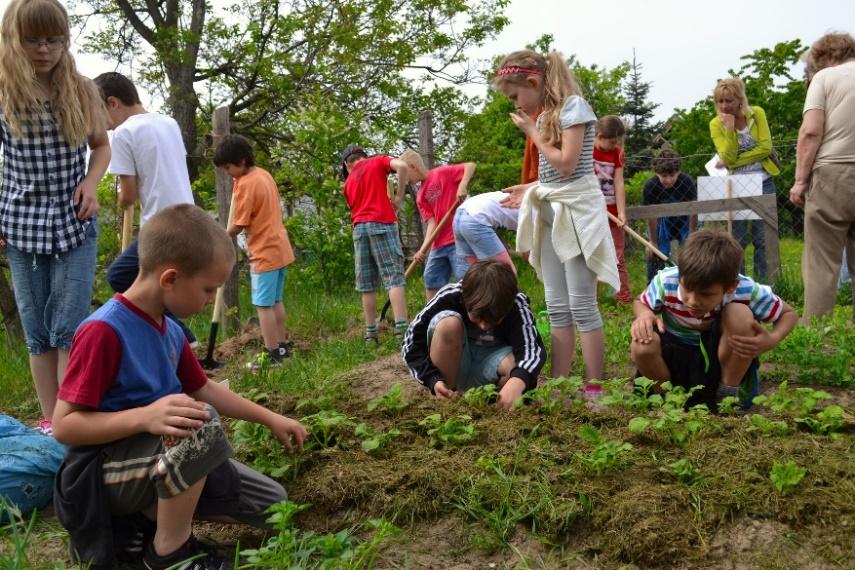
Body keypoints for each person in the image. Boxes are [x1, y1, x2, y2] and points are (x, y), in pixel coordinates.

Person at [52, 204, 308, 569]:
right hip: (99, 474)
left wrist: (270, 419)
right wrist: (144, 417)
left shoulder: (169, 330)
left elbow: (204, 388)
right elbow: (64, 426)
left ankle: (142, 525)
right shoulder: (103, 331)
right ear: (170, 278)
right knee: (199, 424)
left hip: (155, 462)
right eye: (208, 289)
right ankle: (170, 552)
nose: (209, 300)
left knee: (274, 506)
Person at [0, 0, 110, 435]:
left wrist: (92, 183)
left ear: (65, 40)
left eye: (53, 39)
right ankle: (52, 422)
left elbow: (101, 146)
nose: (44, 49)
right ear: (13, 38)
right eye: (32, 40)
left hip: (74, 219)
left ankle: (73, 416)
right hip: (21, 222)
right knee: (37, 326)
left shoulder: (81, 89)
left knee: (70, 322)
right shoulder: (5, 91)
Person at [497, 50, 619, 389]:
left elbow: (567, 164)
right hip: (552, 215)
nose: (517, 105)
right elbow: (556, 177)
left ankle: (594, 386)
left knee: (582, 303)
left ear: (534, 82)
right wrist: (531, 187)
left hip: (577, 215)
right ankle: (561, 384)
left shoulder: (572, 108)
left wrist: (532, 133)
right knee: (556, 304)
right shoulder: (546, 115)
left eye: (516, 96)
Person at [631, 230, 797, 410]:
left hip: (719, 359)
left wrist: (772, 339)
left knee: (739, 314)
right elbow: (641, 302)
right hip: (674, 357)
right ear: (680, 276)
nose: (693, 301)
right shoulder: (665, 281)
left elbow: (788, 314)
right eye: (687, 289)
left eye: (706, 294)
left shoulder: (745, 289)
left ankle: (727, 397)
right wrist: (644, 314)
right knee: (641, 344)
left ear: (731, 286)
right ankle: (668, 399)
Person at [94, 71, 197, 344]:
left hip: (161, 224)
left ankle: (183, 338)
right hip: (189, 218)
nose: (102, 126)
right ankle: (171, 340)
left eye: (99, 114)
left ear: (113, 103)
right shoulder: (169, 122)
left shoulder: (124, 133)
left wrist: (121, 198)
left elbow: (129, 195)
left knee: (119, 276)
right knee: (156, 283)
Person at [402, 259, 545, 410]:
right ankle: (447, 400)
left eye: (494, 320)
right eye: (477, 317)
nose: (484, 326)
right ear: (465, 299)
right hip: (456, 363)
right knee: (447, 325)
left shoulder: (516, 304)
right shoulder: (451, 295)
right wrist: (433, 379)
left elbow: (531, 350)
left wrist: (518, 380)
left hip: (491, 365)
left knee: (515, 366)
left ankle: (494, 406)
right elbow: (411, 343)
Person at [789, 32, 855, 323]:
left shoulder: (825, 78)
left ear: (827, 56)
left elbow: (811, 131)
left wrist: (800, 180)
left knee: (821, 261)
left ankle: (816, 335)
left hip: (833, 173)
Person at [213, 135, 295, 364]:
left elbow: (239, 224)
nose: (227, 172)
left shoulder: (247, 184)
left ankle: (271, 354)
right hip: (280, 248)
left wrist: (220, 236)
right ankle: (282, 349)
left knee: (262, 305)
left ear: (241, 161)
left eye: (228, 167)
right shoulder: (264, 175)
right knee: (276, 301)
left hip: (264, 253)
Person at [341, 145, 427, 343]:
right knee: (393, 277)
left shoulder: (347, 183)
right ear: (363, 156)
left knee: (367, 284)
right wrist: (398, 198)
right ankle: (402, 333)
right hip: (381, 223)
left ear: (347, 164)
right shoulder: (377, 161)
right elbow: (403, 166)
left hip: (359, 229)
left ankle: (370, 334)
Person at [709, 77, 780, 282]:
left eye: (729, 100)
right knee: (737, 239)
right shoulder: (716, 124)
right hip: (737, 185)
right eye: (720, 101)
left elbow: (766, 147)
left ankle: (766, 284)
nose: (724, 106)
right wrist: (730, 130)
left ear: (740, 99)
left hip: (764, 181)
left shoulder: (757, 114)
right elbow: (729, 157)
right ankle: (738, 283)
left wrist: (733, 162)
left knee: (763, 237)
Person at [413, 161, 476, 299]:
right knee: (431, 278)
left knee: (464, 278)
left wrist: (462, 185)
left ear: (413, 166)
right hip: (438, 245)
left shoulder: (441, 173)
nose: (405, 179)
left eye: (405, 175)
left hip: (457, 239)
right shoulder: (420, 196)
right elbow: (432, 223)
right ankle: (433, 315)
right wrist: (423, 249)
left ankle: (471, 315)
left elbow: (470, 166)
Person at [642, 149, 697, 281]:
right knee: (656, 253)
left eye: (672, 175)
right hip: (662, 221)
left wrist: (692, 236)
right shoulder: (651, 186)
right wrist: (653, 242)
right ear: (657, 173)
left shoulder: (686, 182)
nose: (669, 180)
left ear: (678, 172)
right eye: (664, 176)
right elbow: (651, 216)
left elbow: (694, 211)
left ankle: (691, 282)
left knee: (693, 251)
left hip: (685, 219)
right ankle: (653, 284)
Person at [593, 115, 631, 303]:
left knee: (618, 257)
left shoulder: (617, 153)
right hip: (592, 213)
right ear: (599, 136)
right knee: (592, 256)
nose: (615, 145)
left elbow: (619, 181)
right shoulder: (587, 152)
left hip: (613, 213)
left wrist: (622, 212)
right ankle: (592, 300)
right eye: (612, 141)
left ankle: (623, 298)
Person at [453, 191, 521, 273]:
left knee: (476, 276)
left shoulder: (529, 199)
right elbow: (527, 252)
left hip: (460, 216)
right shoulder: (537, 215)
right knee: (506, 275)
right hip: (475, 219)